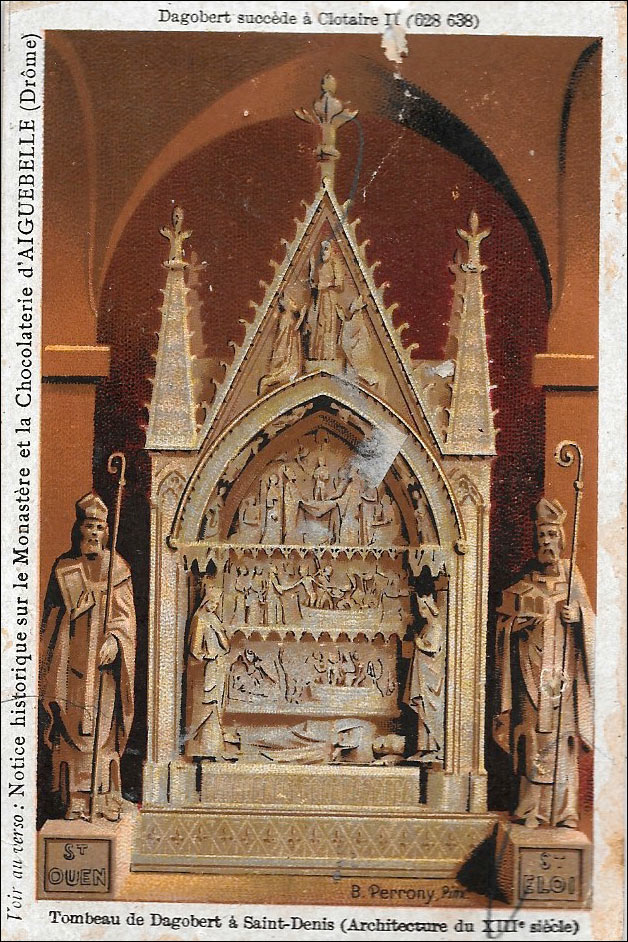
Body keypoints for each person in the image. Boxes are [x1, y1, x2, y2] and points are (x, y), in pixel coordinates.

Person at [493, 498, 594, 829]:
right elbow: (503, 625)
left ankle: (564, 812)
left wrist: (578, 617)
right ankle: (530, 810)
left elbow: (592, 624)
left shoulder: (572, 578)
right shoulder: (526, 581)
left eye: (552, 535)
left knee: (562, 740)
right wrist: (516, 625)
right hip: (529, 674)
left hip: (562, 674)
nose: (546, 542)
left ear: (561, 538)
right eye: (541, 536)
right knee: (532, 738)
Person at [39, 493, 136, 821]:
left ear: (107, 532)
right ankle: (74, 799)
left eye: (100, 527)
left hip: (103, 668)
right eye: (88, 526)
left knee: (102, 728)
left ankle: (103, 798)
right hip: (70, 663)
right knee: (69, 726)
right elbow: (50, 619)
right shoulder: (64, 567)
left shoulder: (117, 569)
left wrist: (117, 639)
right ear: (78, 528)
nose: (94, 533)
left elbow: (126, 618)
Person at [185, 586, 231, 760]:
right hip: (206, 670)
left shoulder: (213, 619)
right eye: (212, 602)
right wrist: (208, 656)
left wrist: (219, 632)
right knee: (206, 708)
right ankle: (201, 749)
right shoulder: (200, 619)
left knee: (216, 708)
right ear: (205, 601)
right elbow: (195, 649)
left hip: (217, 669)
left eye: (216, 603)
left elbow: (226, 646)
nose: (214, 606)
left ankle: (214, 748)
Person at [259, 292, 306, 394]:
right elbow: (285, 338)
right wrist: (302, 315)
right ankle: (267, 383)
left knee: (293, 372)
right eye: (291, 301)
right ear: (286, 304)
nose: (295, 303)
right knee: (291, 372)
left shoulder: (289, 318)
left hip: (291, 354)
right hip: (287, 356)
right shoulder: (286, 318)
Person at [305, 239, 344, 361]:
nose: (323, 252)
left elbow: (339, 283)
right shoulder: (320, 266)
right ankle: (317, 354)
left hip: (329, 299)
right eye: (322, 249)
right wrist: (314, 282)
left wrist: (325, 285)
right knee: (318, 324)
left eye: (326, 249)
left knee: (327, 325)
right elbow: (315, 282)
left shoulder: (335, 263)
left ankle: (327, 355)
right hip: (320, 298)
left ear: (331, 251)